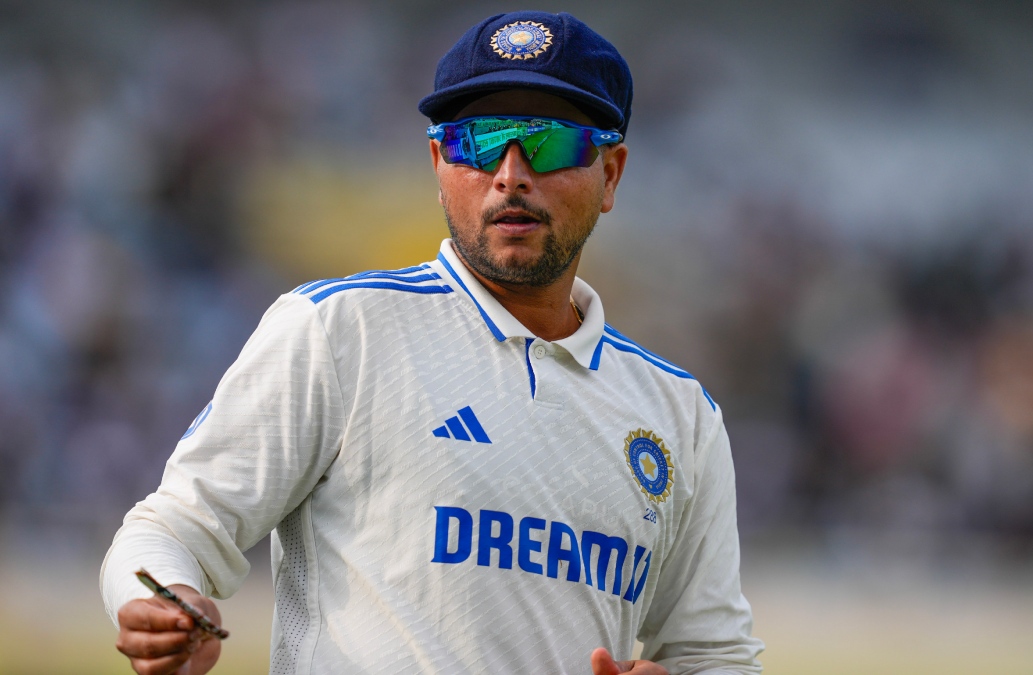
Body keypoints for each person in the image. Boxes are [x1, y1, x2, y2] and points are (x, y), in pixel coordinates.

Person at [102, 10, 763, 675]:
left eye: (551, 143)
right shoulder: (340, 329)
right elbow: (173, 527)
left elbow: (716, 653)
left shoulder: (681, 414)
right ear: (438, 162)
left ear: (611, 174)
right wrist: (162, 601)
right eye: (478, 141)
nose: (510, 173)